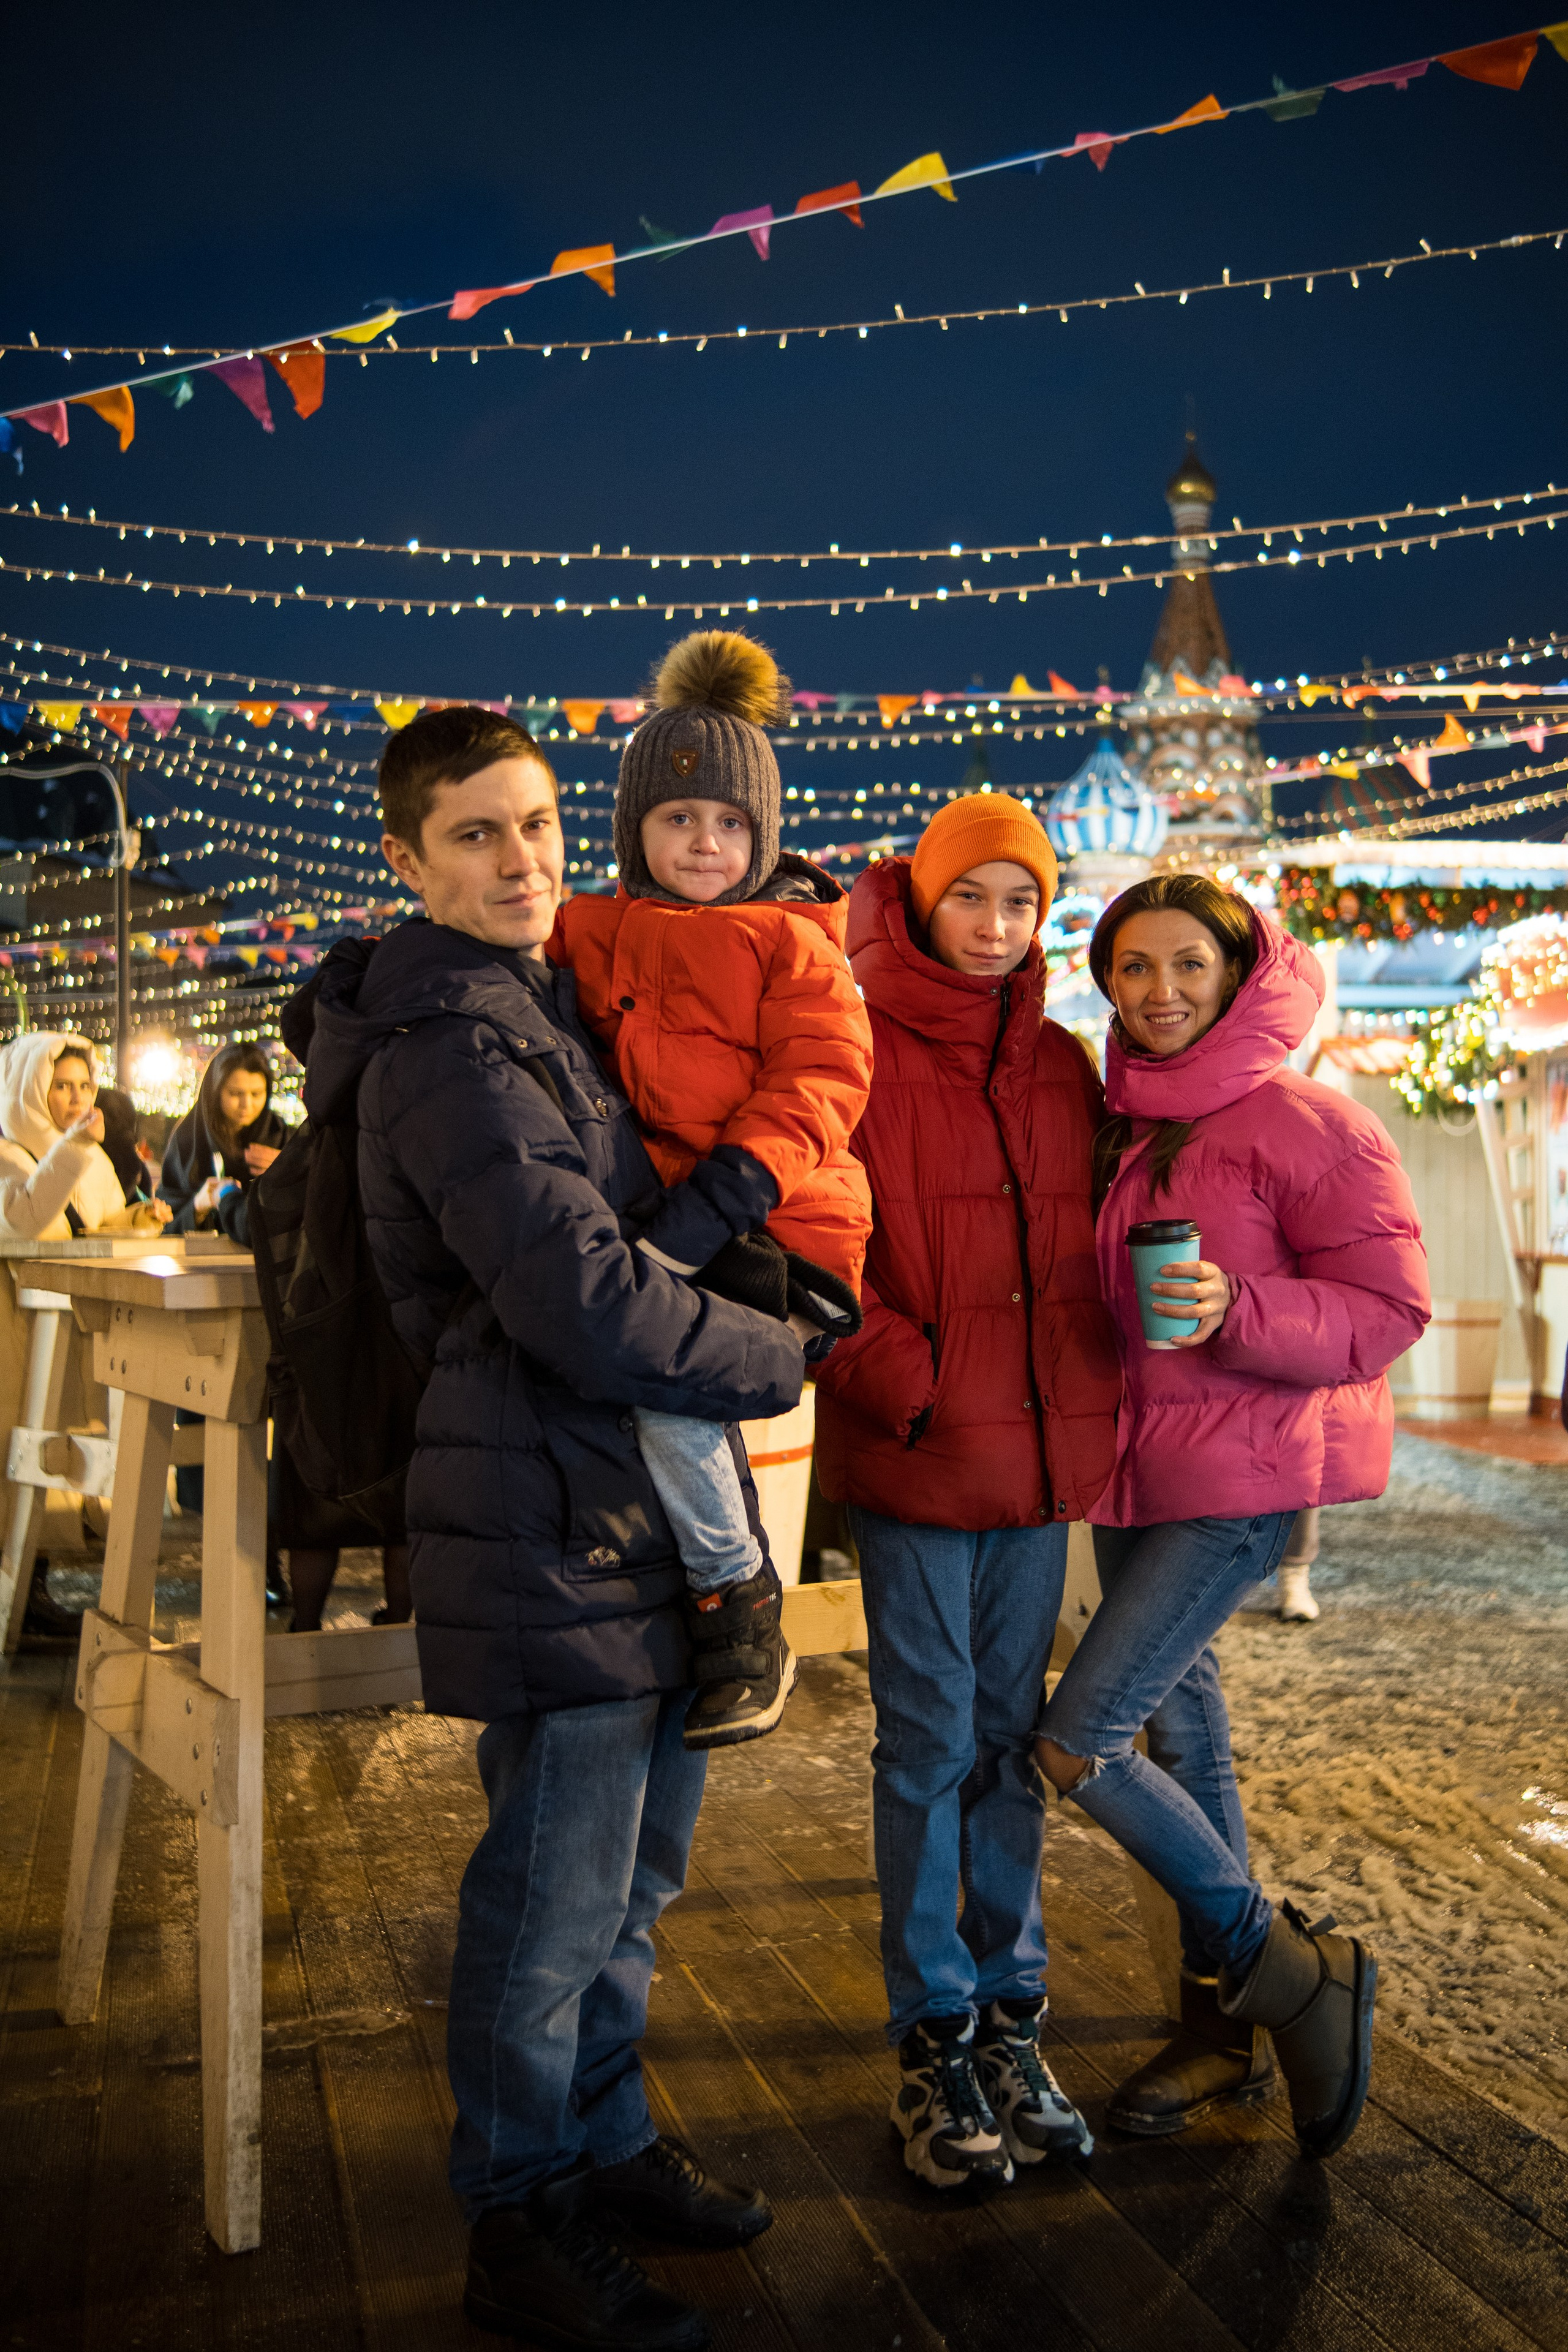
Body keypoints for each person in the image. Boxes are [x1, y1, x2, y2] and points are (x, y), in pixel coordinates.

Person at [301, 702, 809, 2351]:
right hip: (541, 1513)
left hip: (611, 1514)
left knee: (629, 1888)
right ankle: (517, 2218)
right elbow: (583, 1300)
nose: (520, 859)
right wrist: (777, 1355)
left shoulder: (545, 1007)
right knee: (549, 1902)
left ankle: (600, 2146)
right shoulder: (453, 1042)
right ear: (406, 858)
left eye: (533, 826)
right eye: (475, 833)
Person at [1035, 875, 1429, 2161]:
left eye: (1186, 966)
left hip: (1240, 1483)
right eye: (1131, 969)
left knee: (1077, 1742)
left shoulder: (1310, 1121)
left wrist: (1239, 1312)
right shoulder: (1121, 1125)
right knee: (1185, 1744)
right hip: (1131, 1473)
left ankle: (1296, 1974)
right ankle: (1221, 2036)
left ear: (1239, 970)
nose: (1157, 994)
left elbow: (1388, 1310)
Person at [812, 795, 1121, 2190]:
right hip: (926, 1456)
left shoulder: (1063, 1062)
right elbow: (814, 1246)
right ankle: (930, 2031)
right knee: (927, 1737)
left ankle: (1011, 2015)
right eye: (971, 898)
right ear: (921, 898)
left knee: (1011, 1739)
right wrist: (907, 1381)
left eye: (1021, 902)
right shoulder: (855, 1047)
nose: (996, 927)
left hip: (1037, 1467)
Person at [556, 629, 873, 1747]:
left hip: (780, 1224)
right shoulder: (590, 929)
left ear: (763, 833)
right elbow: (484, 974)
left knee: (663, 1374)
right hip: (661, 1224)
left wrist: (710, 1209)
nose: (704, 842)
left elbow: (822, 1082)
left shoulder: (793, 943)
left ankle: (741, 1600)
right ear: (635, 827)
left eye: (730, 823)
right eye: (679, 818)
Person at [0, 1032, 170, 1640]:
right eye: (61, 1084)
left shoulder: (86, 1155)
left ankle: (30, 1590)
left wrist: (137, 1220)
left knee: (46, 1451)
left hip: (59, 1331)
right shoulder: (7, 1148)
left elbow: (86, 1230)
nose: (74, 1098)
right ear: (29, 1085)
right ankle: (17, 1596)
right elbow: (23, 1222)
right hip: (14, 1331)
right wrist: (72, 1148)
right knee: (13, 1452)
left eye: (83, 1085)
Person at [158, 1040, 288, 1235]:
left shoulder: (278, 1136)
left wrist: (286, 1174)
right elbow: (164, 1224)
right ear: (215, 1091)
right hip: (200, 1262)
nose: (247, 1104)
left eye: (256, 1094)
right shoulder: (189, 1140)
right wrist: (198, 1207)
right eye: (236, 1094)